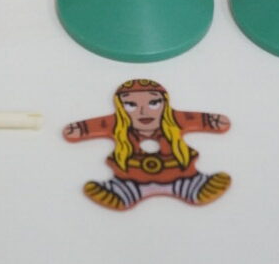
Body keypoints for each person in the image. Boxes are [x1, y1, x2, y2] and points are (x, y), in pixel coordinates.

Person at [63, 77, 231, 211]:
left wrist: (214, 121)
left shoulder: (176, 119)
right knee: (125, 186)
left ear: (164, 103)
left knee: (190, 181)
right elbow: (95, 125)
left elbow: (197, 119)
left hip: (181, 174)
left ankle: (194, 187)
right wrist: (79, 129)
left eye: (153, 103)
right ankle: (122, 193)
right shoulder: (116, 123)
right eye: (131, 105)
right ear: (121, 107)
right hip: (132, 179)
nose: (143, 111)